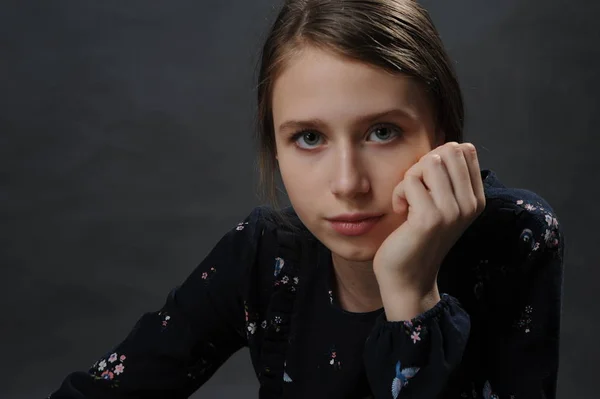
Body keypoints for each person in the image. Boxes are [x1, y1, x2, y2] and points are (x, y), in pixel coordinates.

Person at [47, 0, 565, 398]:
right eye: (310, 138)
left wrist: (410, 293)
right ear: (275, 145)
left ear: (442, 137)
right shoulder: (267, 256)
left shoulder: (513, 236)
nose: (348, 183)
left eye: (382, 132)